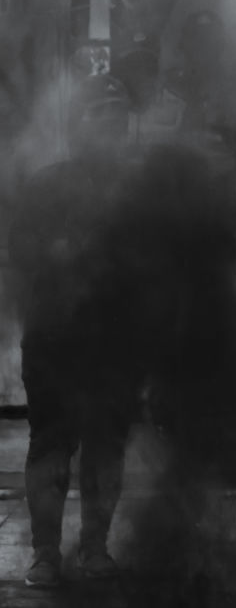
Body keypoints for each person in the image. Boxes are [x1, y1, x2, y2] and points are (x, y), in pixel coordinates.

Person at [10, 76, 146, 587]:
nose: (110, 122)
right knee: (51, 444)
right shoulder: (45, 186)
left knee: (105, 445)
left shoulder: (139, 190)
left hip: (117, 342)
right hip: (54, 339)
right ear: (78, 124)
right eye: (99, 112)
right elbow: (24, 259)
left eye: (118, 113)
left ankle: (94, 549)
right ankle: (45, 554)